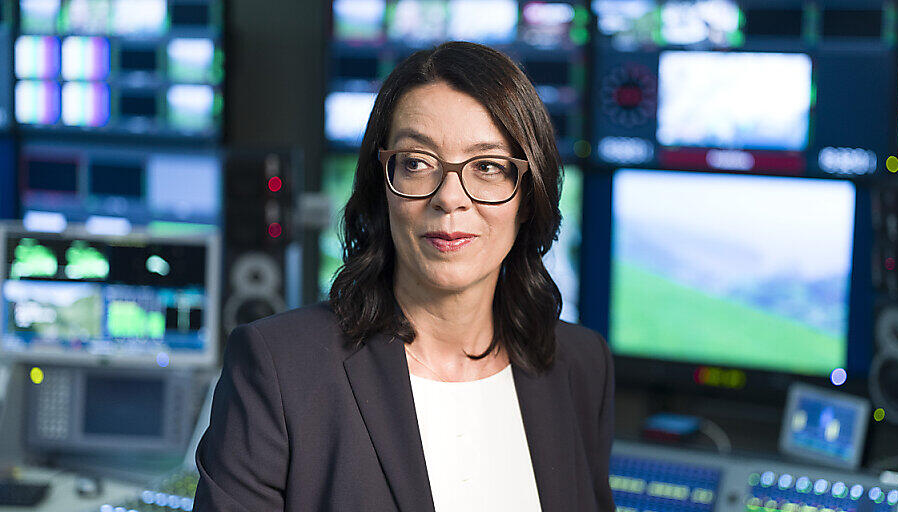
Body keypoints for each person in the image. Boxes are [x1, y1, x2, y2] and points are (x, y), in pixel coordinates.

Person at [193, 41, 614, 511]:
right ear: (382, 188)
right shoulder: (279, 368)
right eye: (416, 163)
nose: (450, 198)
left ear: (528, 195)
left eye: (488, 167)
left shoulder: (582, 364)